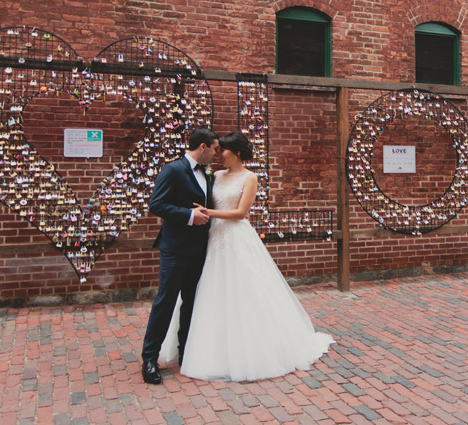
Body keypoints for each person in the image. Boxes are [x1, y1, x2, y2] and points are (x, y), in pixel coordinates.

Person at [159, 131, 333, 381]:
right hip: (212, 239)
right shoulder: (215, 175)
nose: (219, 155)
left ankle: (250, 347)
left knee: (242, 290)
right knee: (208, 291)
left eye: (224, 151)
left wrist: (208, 212)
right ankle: (201, 347)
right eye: (217, 150)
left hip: (235, 238)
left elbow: (241, 212)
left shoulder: (250, 178)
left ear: (237, 152)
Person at [140, 128, 220, 385]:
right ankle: (150, 359)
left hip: (199, 249)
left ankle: (187, 352)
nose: (217, 154)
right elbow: (156, 204)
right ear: (203, 147)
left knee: (191, 302)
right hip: (175, 249)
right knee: (165, 302)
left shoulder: (208, 174)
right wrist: (189, 215)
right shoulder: (172, 170)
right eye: (215, 148)